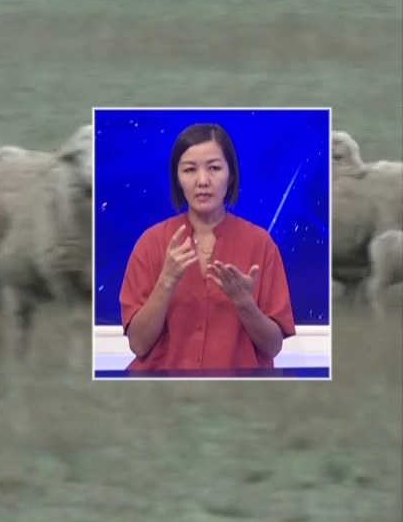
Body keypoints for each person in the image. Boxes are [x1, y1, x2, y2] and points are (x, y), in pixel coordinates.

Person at [119, 121, 295, 373]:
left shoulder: (261, 244)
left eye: (214, 168)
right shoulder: (151, 243)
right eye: (189, 170)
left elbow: (273, 346)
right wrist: (166, 281)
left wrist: (244, 303)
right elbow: (138, 344)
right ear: (177, 179)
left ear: (231, 175)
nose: (202, 180)